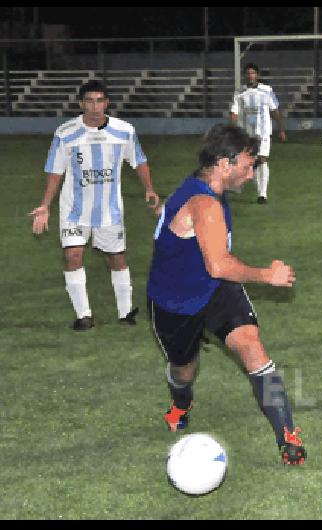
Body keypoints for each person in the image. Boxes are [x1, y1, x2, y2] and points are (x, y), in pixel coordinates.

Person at [147, 123, 306, 465]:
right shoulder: (204, 203)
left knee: (252, 346)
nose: (251, 175)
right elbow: (218, 264)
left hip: (216, 291)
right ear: (224, 164)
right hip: (175, 301)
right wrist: (267, 275)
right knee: (183, 370)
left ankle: (288, 435)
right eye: (247, 167)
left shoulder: (207, 187)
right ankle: (181, 403)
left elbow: (215, 270)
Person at [29, 79, 159, 331]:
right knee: (72, 255)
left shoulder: (124, 131)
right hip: (74, 210)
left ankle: (126, 311)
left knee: (116, 258)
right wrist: (45, 205)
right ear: (81, 104)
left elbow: (139, 161)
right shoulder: (65, 133)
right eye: (89, 101)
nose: (94, 106)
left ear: (107, 103)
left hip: (110, 210)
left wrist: (149, 188)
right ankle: (83, 315)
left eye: (99, 101)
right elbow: (55, 171)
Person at [230, 63, 287, 205]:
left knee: (262, 159)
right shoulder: (239, 93)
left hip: (264, 132)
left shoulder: (267, 90)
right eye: (248, 73)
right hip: (248, 134)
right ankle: (243, 183)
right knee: (253, 162)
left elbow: (275, 110)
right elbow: (234, 112)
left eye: (253, 73)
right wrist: (234, 129)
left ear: (258, 75)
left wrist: (281, 129)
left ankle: (262, 194)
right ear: (245, 76)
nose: (250, 76)